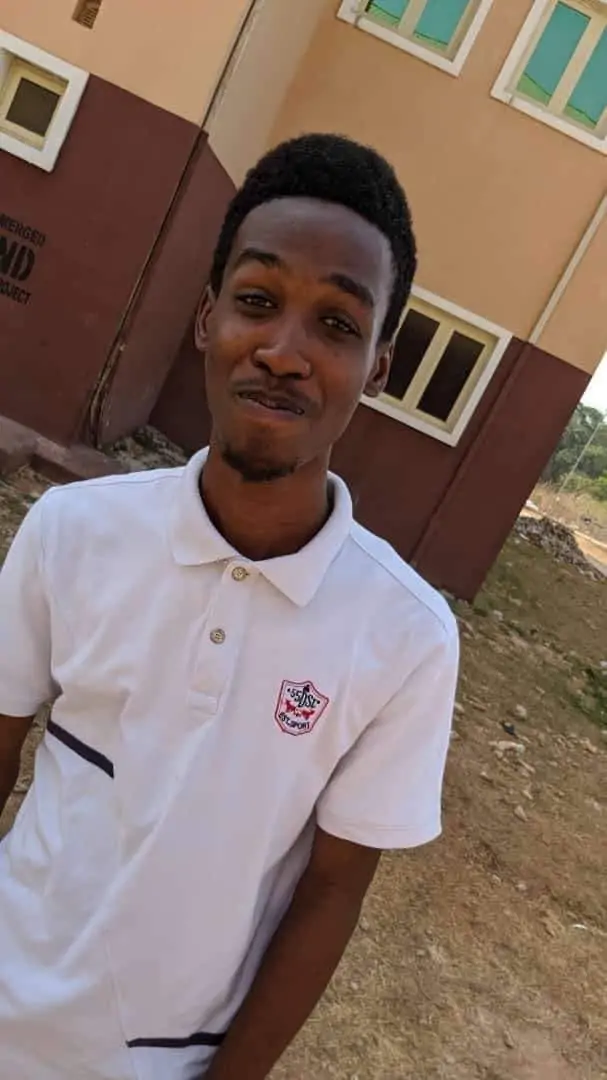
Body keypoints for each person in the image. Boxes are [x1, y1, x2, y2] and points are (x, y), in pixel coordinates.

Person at [0, 133, 459, 1080]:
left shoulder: (405, 638)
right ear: (207, 319)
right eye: (256, 301)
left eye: (336, 324)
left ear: (377, 366)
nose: (284, 353)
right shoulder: (73, 531)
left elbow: (330, 894)